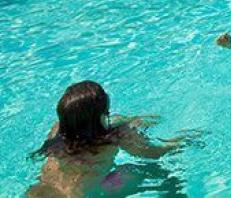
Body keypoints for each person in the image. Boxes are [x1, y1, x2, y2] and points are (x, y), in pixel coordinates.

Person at [27, 81, 183, 197]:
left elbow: (96, 125)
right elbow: (153, 153)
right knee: (144, 170)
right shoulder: (117, 136)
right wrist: (182, 141)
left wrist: (132, 120)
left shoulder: (58, 130)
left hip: (40, 192)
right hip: (93, 194)